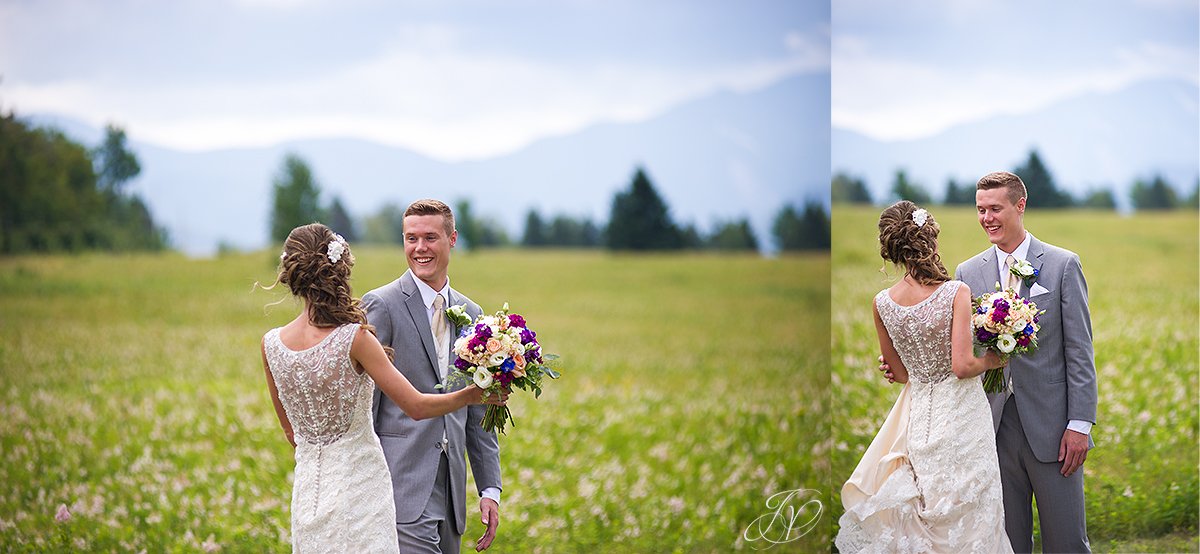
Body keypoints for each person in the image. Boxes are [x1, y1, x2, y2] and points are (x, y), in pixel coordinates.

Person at [259, 223, 505, 553]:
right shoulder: (356, 338)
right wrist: (472, 395)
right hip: (362, 489)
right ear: (339, 269)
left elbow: (292, 433)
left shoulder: (271, 344)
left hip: (309, 494)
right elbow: (416, 406)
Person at [836, 201, 1013, 553]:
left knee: (930, 509)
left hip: (920, 421)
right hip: (962, 418)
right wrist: (995, 359)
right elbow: (962, 366)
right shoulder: (954, 292)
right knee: (975, 509)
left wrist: (906, 365)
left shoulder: (882, 302)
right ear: (929, 237)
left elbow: (899, 373)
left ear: (893, 249)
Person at [362, 199, 503, 553]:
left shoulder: (471, 313)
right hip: (401, 484)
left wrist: (489, 489)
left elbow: (477, 411)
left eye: (430, 237)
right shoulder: (382, 304)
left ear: (452, 239)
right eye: (411, 239)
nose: (419, 248)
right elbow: (367, 405)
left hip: (453, 491)